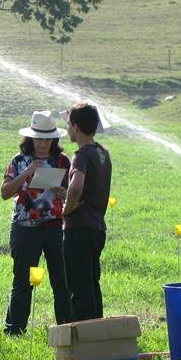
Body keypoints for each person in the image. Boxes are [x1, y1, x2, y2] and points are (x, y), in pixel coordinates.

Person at [0, 111, 71, 335]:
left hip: (55, 226)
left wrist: (63, 192)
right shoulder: (18, 161)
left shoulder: (62, 161)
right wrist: (26, 174)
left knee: (62, 280)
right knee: (23, 280)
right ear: (31, 138)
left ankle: (66, 328)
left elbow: (72, 193)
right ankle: (14, 329)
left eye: (48, 139)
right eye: (39, 139)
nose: (43, 144)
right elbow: (4, 192)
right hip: (25, 229)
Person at [62, 102, 112, 322]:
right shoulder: (103, 153)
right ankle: (97, 335)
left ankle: (83, 341)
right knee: (92, 284)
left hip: (78, 228)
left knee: (79, 288)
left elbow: (77, 186)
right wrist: (66, 193)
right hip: (97, 227)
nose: (67, 129)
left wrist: (67, 207)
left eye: (69, 124)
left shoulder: (80, 155)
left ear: (77, 128)